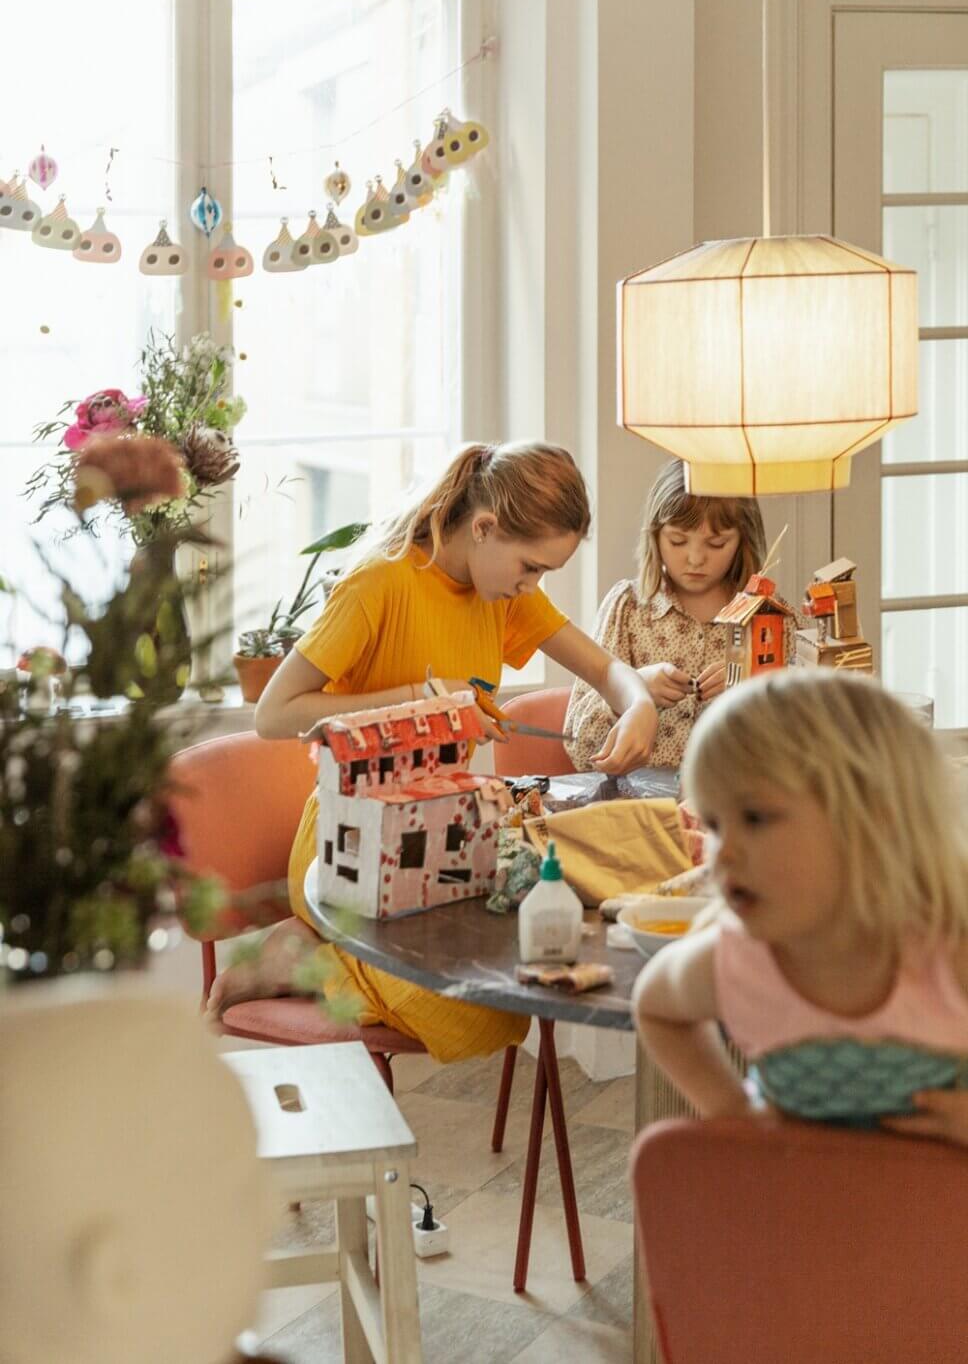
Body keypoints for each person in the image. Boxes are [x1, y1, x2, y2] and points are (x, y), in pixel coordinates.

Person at [208, 441, 659, 1062]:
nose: (531, 586)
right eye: (530, 568)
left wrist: (638, 706)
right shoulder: (378, 586)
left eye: (543, 576)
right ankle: (301, 960)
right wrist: (419, 701)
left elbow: (610, 671)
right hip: (353, 835)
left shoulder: (501, 593)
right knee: (472, 1016)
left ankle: (322, 951)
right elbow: (274, 713)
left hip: (442, 830)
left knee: (508, 1003)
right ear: (483, 528)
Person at [634, 669, 968, 1140]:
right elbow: (656, 1007)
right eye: (714, 824)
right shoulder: (738, 959)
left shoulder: (950, 947)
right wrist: (729, 1108)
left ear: (872, 820)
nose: (722, 853)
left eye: (754, 818)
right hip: (804, 1205)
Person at [564, 458, 798, 772]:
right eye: (678, 540)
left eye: (716, 544)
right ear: (656, 537)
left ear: (742, 540)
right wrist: (634, 691)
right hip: (639, 809)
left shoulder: (770, 617)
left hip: (735, 807)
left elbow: (806, 741)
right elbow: (579, 745)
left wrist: (753, 690)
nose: (695, 558)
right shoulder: (628, 608)